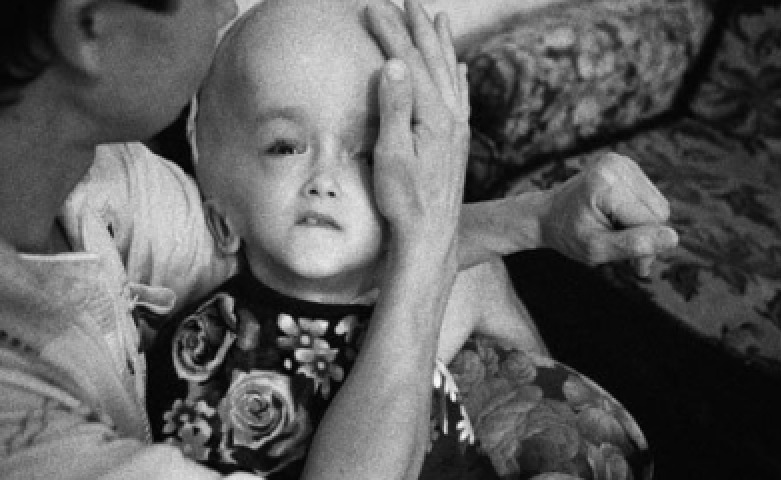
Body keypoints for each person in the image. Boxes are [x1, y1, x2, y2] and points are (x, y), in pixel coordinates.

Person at [0, 0, 677, 478]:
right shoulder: (22, 428)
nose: (226, 6)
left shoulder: (107, 184)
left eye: (362, 152)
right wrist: (428, 245)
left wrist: (538, 218)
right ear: (88, 25)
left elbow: (284, 254)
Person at [146, 1, 548, 477]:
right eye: (285, 147)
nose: (325, 179)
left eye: (367, 154)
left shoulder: (454, 286)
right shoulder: (199, 354)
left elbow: (550, 400)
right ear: (222, 219)